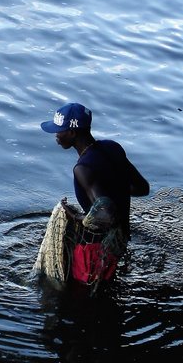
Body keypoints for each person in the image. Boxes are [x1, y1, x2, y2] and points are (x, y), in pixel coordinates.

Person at [36, 102, 149, 287]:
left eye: (60, 130)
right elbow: (142, 188)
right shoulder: (113, 148)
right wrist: (114, 190)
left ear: (73, 132)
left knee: (78, 301)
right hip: (120, 242)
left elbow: (105, 213)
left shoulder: (82, 169)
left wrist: (75, 216)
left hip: (95, 251)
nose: (56, 135)